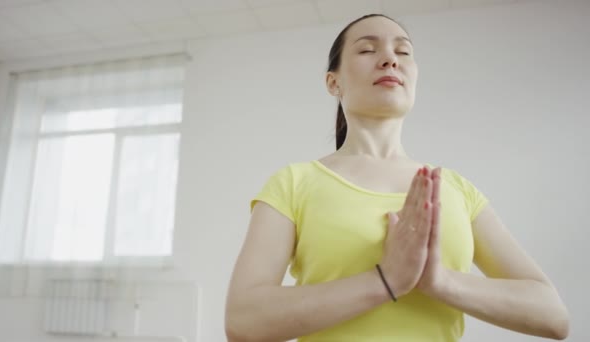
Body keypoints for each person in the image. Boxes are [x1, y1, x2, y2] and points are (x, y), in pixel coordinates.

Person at [224, 14, 569, 342]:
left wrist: (440, 281)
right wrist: (385, 280)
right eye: (367, 49)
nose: (390, 59)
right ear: (334, 82)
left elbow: (553, 315)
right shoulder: (293, 183)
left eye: (403, 51)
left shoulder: (456, 189)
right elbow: (243, 322)